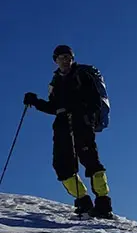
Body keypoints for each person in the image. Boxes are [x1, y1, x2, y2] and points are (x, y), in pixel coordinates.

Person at [23, 45, 113, 218]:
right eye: (62, 57)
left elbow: (95, 101)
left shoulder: (82, 75)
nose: (66, 60)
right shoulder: (55, 81)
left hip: (82, 123)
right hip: (62, 125)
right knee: (62, 165)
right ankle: (83, 201)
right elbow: (54, 107)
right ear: (55, 60)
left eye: (68, 57)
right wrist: (35, 102)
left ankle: (103, 203)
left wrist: (84, 115)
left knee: (90, 160)